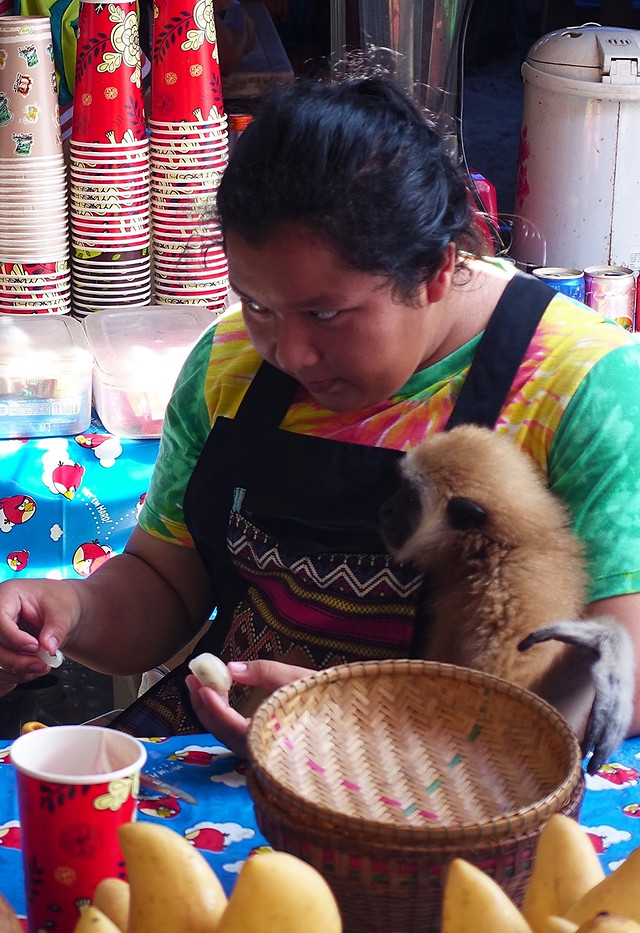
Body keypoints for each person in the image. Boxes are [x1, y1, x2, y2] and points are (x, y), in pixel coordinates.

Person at [2, 76, 640, 761]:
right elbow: (164, 583)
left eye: (326, 313)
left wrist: (356, 721)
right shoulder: (230, 363)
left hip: (459, 782)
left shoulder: (580, 385)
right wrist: (69, 609)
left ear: (434, 270)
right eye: (257, 304)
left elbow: (620, 680)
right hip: (227, 758)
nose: (289, 351)